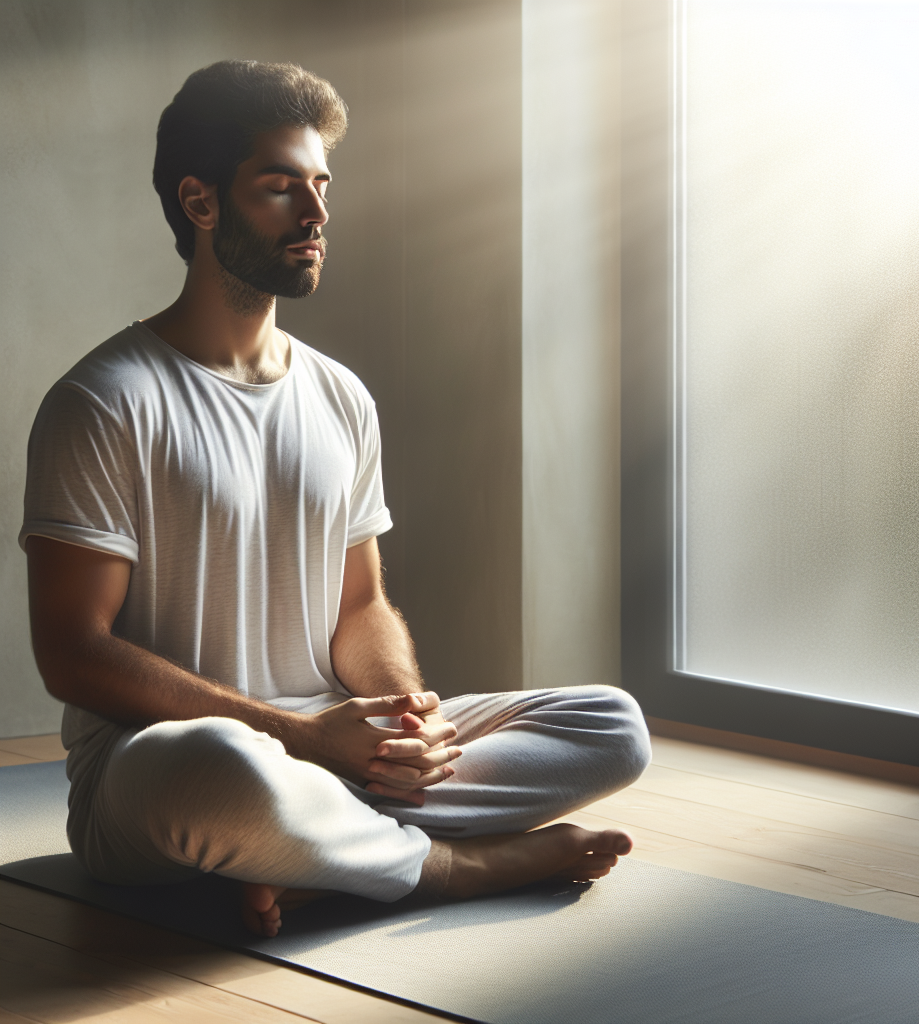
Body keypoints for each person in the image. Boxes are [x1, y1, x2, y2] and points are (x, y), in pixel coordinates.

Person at [21, 60, 651, 938]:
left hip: (335, 745)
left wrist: (404, 719)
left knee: (613, 724)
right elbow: (74, 654)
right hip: (162, 767)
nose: (317, 216)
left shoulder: (341, 397)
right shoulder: (103, 402)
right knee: (222, 767)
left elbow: (359, 605)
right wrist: (299, 739)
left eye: (321, 186)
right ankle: (449, 867)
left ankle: (329, 855)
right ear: (201, 204)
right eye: (282, 190)